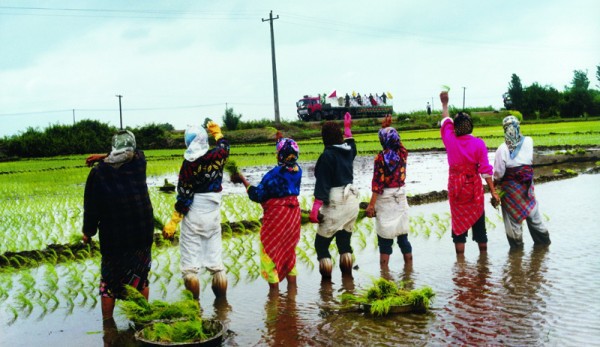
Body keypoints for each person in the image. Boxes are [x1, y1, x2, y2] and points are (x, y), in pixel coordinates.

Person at [82, 130, 154, 320]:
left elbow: (91, 207)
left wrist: (87, 233)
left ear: (113, 149)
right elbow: (130, 152)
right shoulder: (139, 162)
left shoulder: (98, 172)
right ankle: (142, 320)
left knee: (109, 283)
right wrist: (103, 156)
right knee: (140, 279)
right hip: (142, 233)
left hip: (115, 239)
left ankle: (108, 325)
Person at [162, 121, 229, 301]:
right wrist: (218, 133)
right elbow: (225, 146)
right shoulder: (218, 155)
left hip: (194, 214)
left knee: (190, 266)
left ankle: (195, 307)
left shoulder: (188, 165)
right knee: (216, 263)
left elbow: (184, 196)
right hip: (213, 213)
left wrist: (173, 221)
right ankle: (222, 304)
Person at [231, 134, 302, 292]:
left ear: (280, 155)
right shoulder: (298, 171)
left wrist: (242, 179)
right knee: (289, 252)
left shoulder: (274, 175)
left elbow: (257, 195)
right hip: (292, 217)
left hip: (277, 218)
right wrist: (281, 140)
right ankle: (292, 295)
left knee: (269, 255)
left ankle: (274, 299)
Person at [439, 91, 499, 255]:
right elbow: (486, 171)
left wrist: (445, 104)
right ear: (471, 126)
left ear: (456, 128)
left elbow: (446, 121)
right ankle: (484, 261)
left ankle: (461, 265)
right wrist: (493, 191)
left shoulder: (450, 140)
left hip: (457, 191)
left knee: (458, 227)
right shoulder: (478, 144)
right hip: (473, 191)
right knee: (479, 225)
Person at [310, 113, 359, 279]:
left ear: (324, 139)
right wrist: (347, 129)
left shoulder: (327, 156)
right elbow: (353, 147)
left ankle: (326, 285)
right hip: (352, 199)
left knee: (321, 245)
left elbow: (322, 182)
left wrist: (316, 207)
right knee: (344, 243)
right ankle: (348, 281)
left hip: (336, 200)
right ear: (339, 137)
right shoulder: (347, 151)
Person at [493, 116, 551, 248]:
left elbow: (498, 174)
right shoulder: (528, 141)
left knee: (514, 222)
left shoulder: (502, 149)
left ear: (504, 130)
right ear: (518, 126)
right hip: (526, 187)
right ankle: (543, 245)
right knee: (534, 216)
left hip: (511, 191)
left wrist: (495, 187)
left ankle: (517, 252)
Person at [365, 115, 412, 268]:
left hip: (385, 201)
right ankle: (409, 270)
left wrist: (371, 206)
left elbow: (377, 184)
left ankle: (384, 274)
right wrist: (387, 129)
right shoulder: (402, 154)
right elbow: (399, 144)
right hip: (400, 198)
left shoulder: (380, 158)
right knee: (403, 238)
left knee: (385, 240)